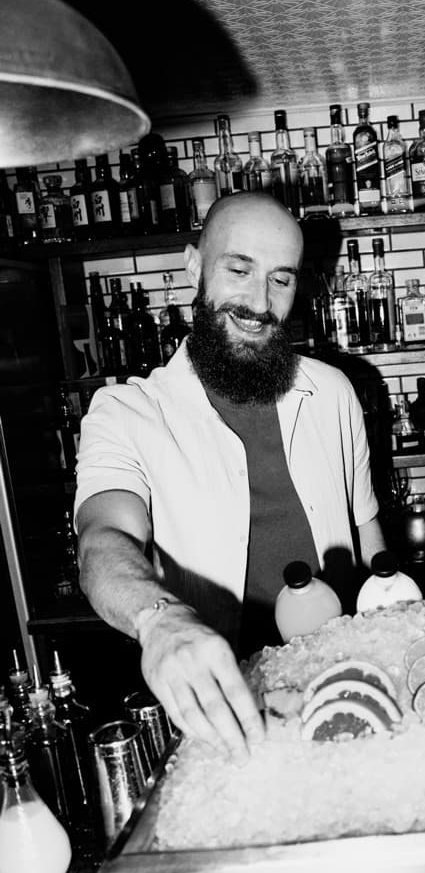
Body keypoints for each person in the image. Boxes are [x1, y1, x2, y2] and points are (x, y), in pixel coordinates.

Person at [75, 192, 385, 759]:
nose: (259, 302)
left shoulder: (333, 393)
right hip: (224, 718)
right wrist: (159, 622)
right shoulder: (128, 412)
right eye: (239, 269)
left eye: (281, 280)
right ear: (194, 265)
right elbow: (102, 541)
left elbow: (367, 538)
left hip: (348, 693)